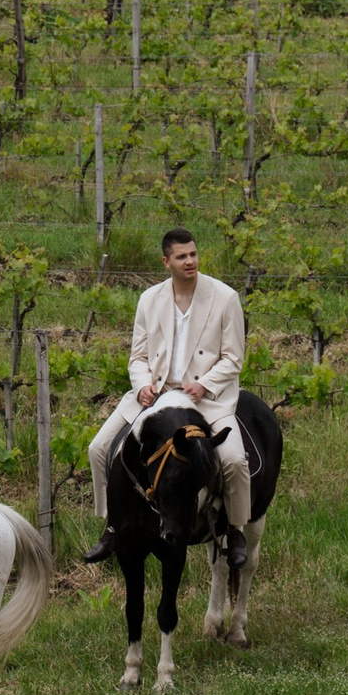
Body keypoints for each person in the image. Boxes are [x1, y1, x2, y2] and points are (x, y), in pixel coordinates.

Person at [81, 229, 249, 568]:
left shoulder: (226, 297)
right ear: (166, 261)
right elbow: (138, 356)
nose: (190, 261)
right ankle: (112, 526)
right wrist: (142, 384)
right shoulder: (149, 299)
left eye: (193, 254)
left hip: (205, 399)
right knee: (98, 448)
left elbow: (233, 358)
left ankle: (235, 529)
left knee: (233, 460)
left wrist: (205, 385)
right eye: (182, 256)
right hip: (155, 397)